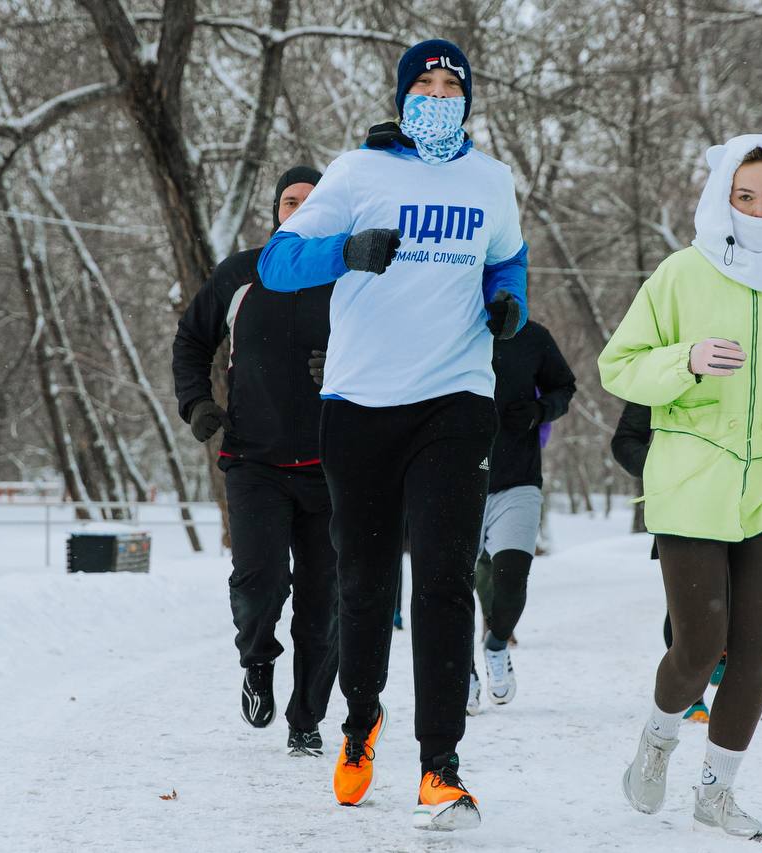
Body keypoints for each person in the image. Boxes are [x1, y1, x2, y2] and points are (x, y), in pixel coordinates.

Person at [258, 39, 528, 831]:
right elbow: (276, 264)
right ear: (403, 96)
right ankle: (359, 720)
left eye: (451, 86)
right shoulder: (357, 172)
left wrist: (508, 304)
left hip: (456, 398)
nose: (438, 96)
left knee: (442, 577)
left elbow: (507, 263)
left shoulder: (491, 181)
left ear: (467, 99)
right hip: (360, 403)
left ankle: (441, 767)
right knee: (366, 581)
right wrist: (345, 251)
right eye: (425, 84)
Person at [598, 134, 762, 840]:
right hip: (691, 477)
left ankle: (716, 792)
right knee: (700, 645)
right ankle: (657, 741)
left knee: (755, 649)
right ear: (722, 196)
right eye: (745, 197)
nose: (758, 210)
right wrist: (684, 360)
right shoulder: (679, 275)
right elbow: (618, 365)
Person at [172, 166, 337, 758]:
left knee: (323, 603)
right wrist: (197, 403)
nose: (300, 209)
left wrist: (345, 366)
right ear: (275, 212)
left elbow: (393, 350)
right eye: (290, 201)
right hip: (254, 462)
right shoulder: (241, 274)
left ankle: (307, 718)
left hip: (334, 467)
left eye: (313, 201)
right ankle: (257, 661)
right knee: (259, 582)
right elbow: (191, 340)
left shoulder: (350, 275)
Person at [467, 320, 575, 715]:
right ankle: (461, 671)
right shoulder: (449, 326)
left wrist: (538, 411)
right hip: (454, 482)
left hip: (517, 481)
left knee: (511, 582)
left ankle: (496, 644)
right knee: (450, 588)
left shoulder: (531, 336)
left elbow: (564, 387)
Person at [610, 400, 720, 724]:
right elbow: (624, 441)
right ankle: (693, 697)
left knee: (735, 600)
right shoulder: (665, 374)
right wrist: (662, 467)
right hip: (681, 507)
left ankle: (723, 653)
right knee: (685, 609)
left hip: (746, 506)